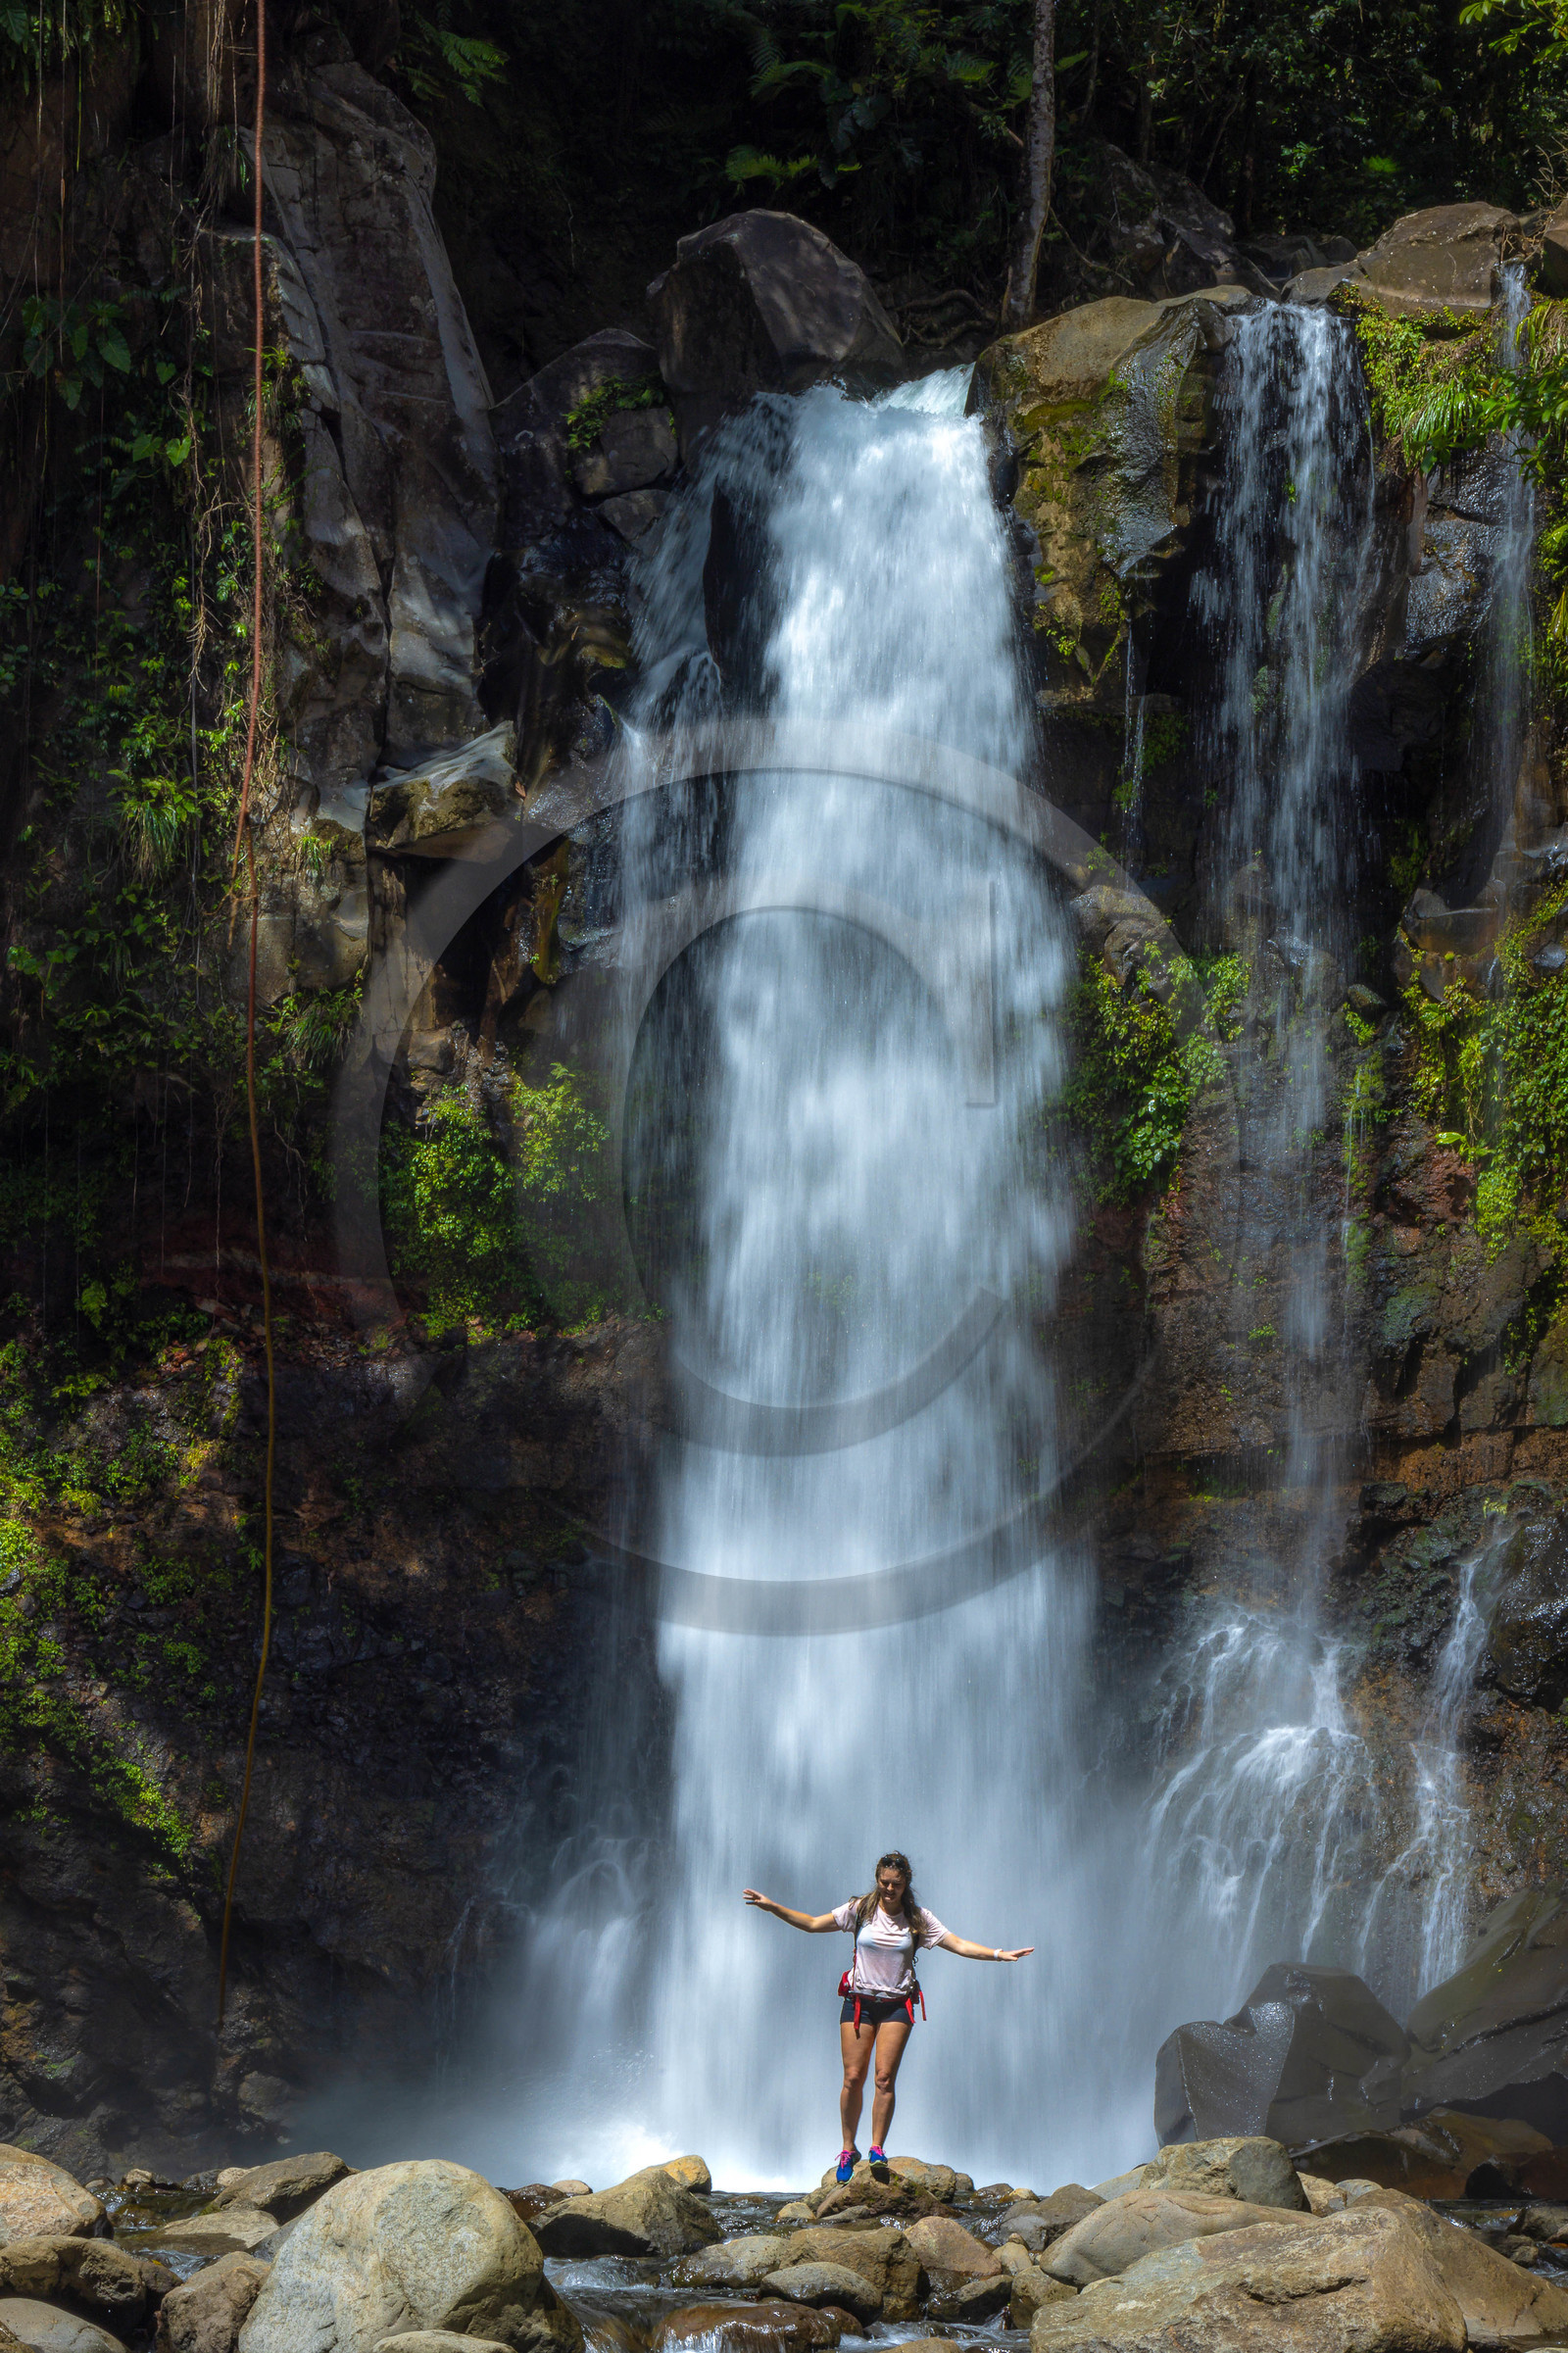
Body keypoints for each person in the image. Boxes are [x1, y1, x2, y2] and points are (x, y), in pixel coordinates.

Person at [743, 1849, 1034, 2181]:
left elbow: (958, 1944)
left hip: (897, 2004)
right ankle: (847, 2148)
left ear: (906, 1882)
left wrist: (999, 1954)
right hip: (859, 2002)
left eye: (895, 1884)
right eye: (883, 1882)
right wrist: (772, 1907)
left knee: (884, 2078)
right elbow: (811, 1924)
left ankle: (877, 2147)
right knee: (853, 2077)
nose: (888, 1889)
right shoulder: (861, 1909)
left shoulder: (918, 1919)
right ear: (877, 1880)